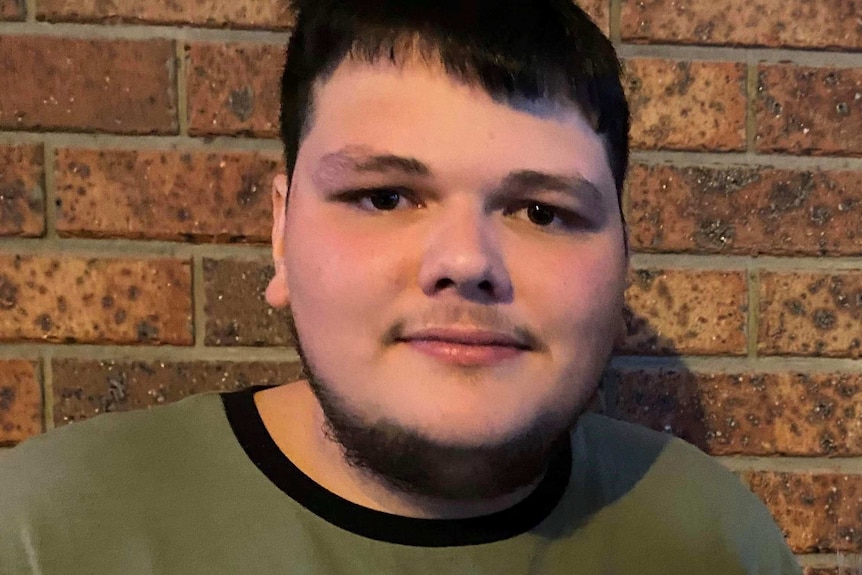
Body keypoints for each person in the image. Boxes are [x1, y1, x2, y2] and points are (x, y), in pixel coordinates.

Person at [0, 0, 802, 573]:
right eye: (384, 196)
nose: (465, 260)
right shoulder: (45, 533)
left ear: (624, 255)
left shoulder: (711, 535)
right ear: (282, 233)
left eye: (541, 209)